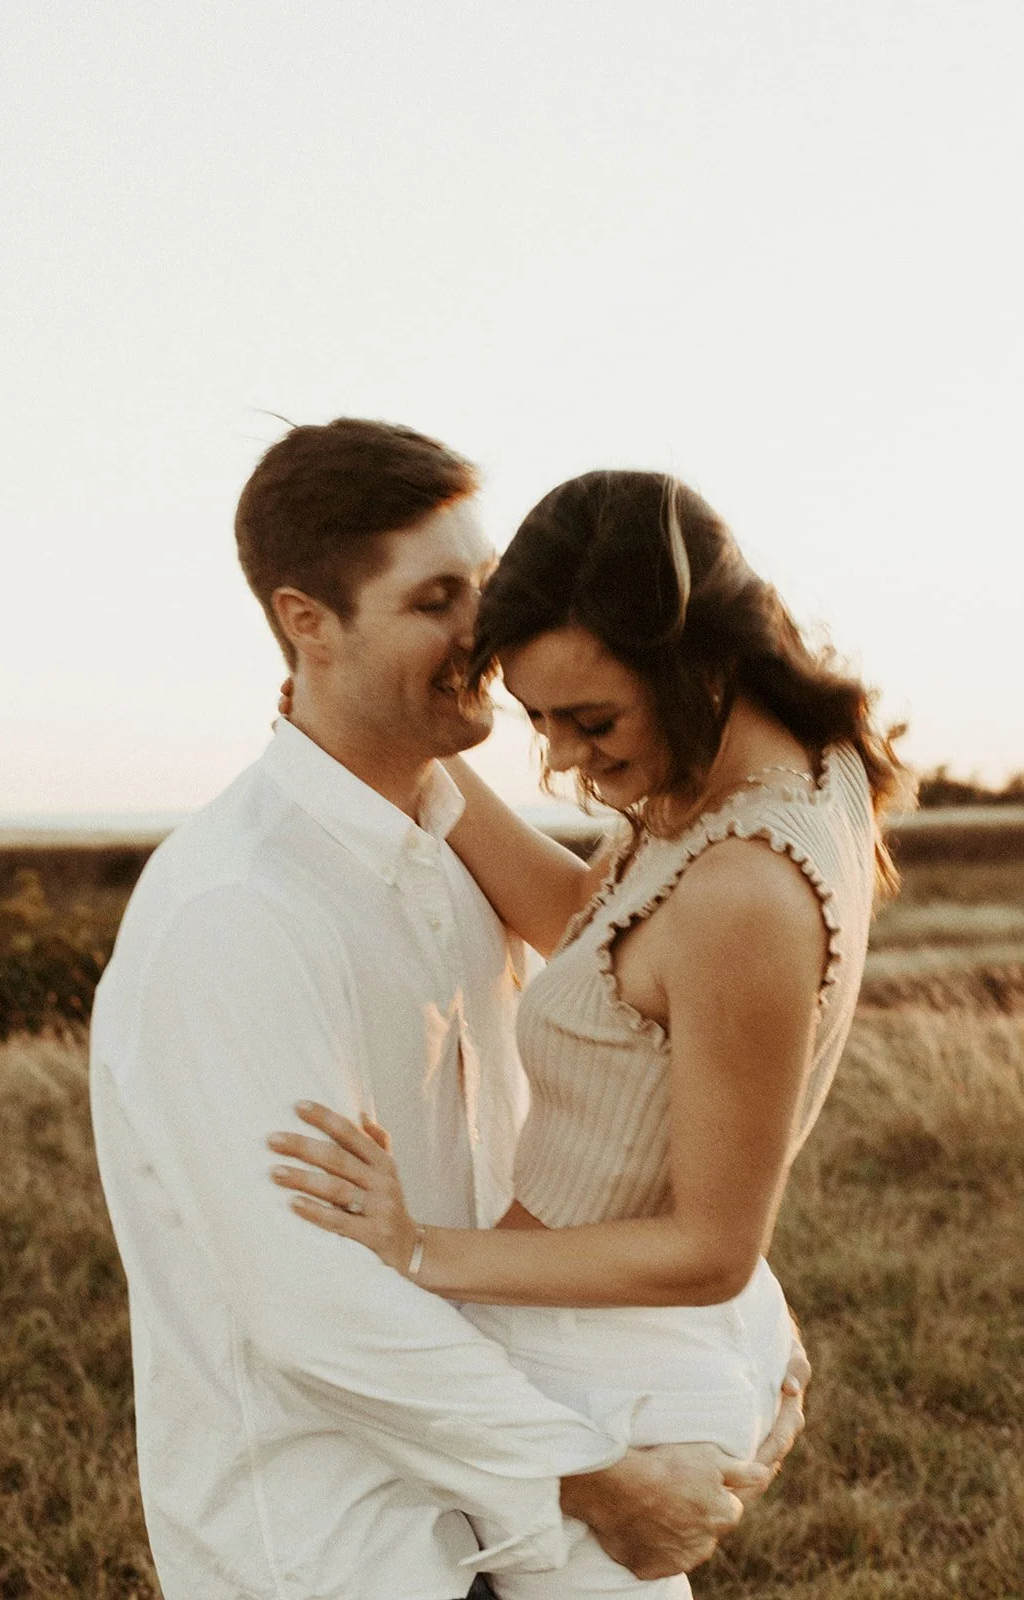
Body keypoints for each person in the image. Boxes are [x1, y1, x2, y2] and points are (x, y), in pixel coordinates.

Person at [90, 424, 804, 1600]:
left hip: (547, 1492)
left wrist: (743, 1328)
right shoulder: (234, 912)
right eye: (434, 598)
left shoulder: (447, 842)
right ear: (305, 622)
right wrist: (595, 1474)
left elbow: (612, 1103)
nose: (485, 626)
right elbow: (311, 1307)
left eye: (482, 582)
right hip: (351, 1539)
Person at [268, 466, 909, 1598]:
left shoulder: (744, 889)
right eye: (541, 721)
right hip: (627, 1340)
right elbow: (607, 943)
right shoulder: (776, 775)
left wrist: (419, 1250)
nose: (566, 759)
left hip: (605, 1358)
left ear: (698, 656)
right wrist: (420, 753)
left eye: (592, 719)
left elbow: (711, 1245)